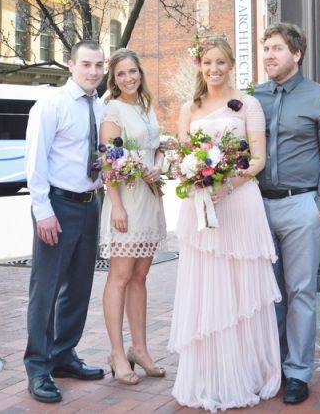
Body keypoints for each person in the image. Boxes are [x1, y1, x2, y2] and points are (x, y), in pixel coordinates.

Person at [169, 36, 281, 412]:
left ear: (231, 63)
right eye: (207, 63)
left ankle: (246, 371)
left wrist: (227, 184)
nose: (214, 69)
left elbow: (258, 159)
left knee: (240, 287)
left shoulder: (248, 104)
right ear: (199, 66)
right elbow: (185, 157)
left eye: (220, 62)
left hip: (239, 201)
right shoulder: (190, 107)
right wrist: (197, 179)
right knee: (207, 285)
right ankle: (210, 372)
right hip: (202, 205)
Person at [254, 23, 320, 405]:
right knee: (266, 293)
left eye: (276, 48)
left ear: (297, 54)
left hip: (301, 205)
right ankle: (271, 365)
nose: (269, 55)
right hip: (257, 207)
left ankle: (297, 372)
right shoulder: (253, 98)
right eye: (266, 49)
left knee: (300, 292)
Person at [24, 40, 106, 404]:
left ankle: (63, 355)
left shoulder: (101, 107)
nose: (93, 71)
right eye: (86, 64)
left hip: (90, 204)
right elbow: (36, 160)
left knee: (79, 285)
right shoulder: (52, 104)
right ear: (71, 65)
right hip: (57, 204)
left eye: (98, 65)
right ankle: (38, 367)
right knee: (46, 289)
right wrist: (42, 210)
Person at [99, 48, 167, 385]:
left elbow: (152, 148)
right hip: (126, 200)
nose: (129, 78)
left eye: (133, 71)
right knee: (120, 277)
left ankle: (139, 349)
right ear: (114, 78)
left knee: (141, 277)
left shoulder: (145, 106)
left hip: (150, 201)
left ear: (140, 72)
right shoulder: (113, 110)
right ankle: (116, 351)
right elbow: (109, 161)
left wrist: (159, 165)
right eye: (122, 73)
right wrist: (118, 206)